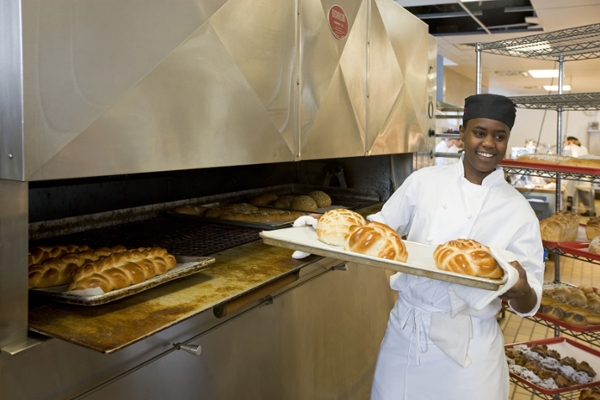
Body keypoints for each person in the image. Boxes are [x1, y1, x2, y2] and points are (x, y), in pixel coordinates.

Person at [369, 93, 544, 400]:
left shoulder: (518, 211)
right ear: (462, 133)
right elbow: (379, 228)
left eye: (499, 136)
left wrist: (522, 288)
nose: (489, 143)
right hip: (408, 336)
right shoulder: (424, 182)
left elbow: (529, 305)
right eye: (479, 133)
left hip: (471, 354)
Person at [563, 136, 595, 216]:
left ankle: (590, 212)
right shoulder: (583, 148)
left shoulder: (572, 147)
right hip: (586, 174)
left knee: (583, 194)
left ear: (570, 141)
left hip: (581, 175)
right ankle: (590, 211)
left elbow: (573, 159)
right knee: (584, 194)